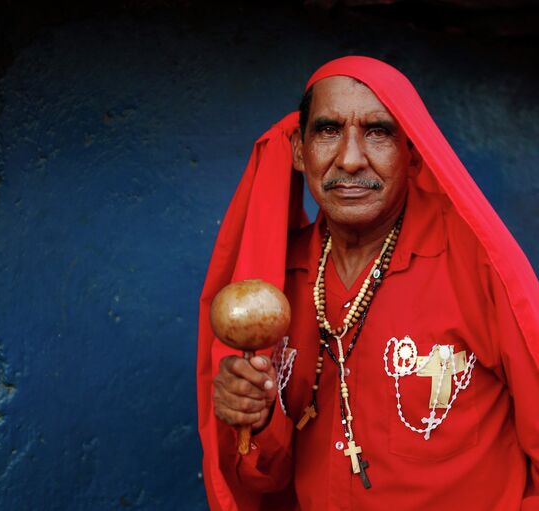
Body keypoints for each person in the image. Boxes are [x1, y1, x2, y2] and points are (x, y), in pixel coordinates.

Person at [196, 56, 539, 511]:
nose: (351, 158)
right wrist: (252, 420)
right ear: (300, 149)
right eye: (328, 130)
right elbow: (265, 481)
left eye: (377, 131)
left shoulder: (477, 265)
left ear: (412, 152)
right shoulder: (279, 282)